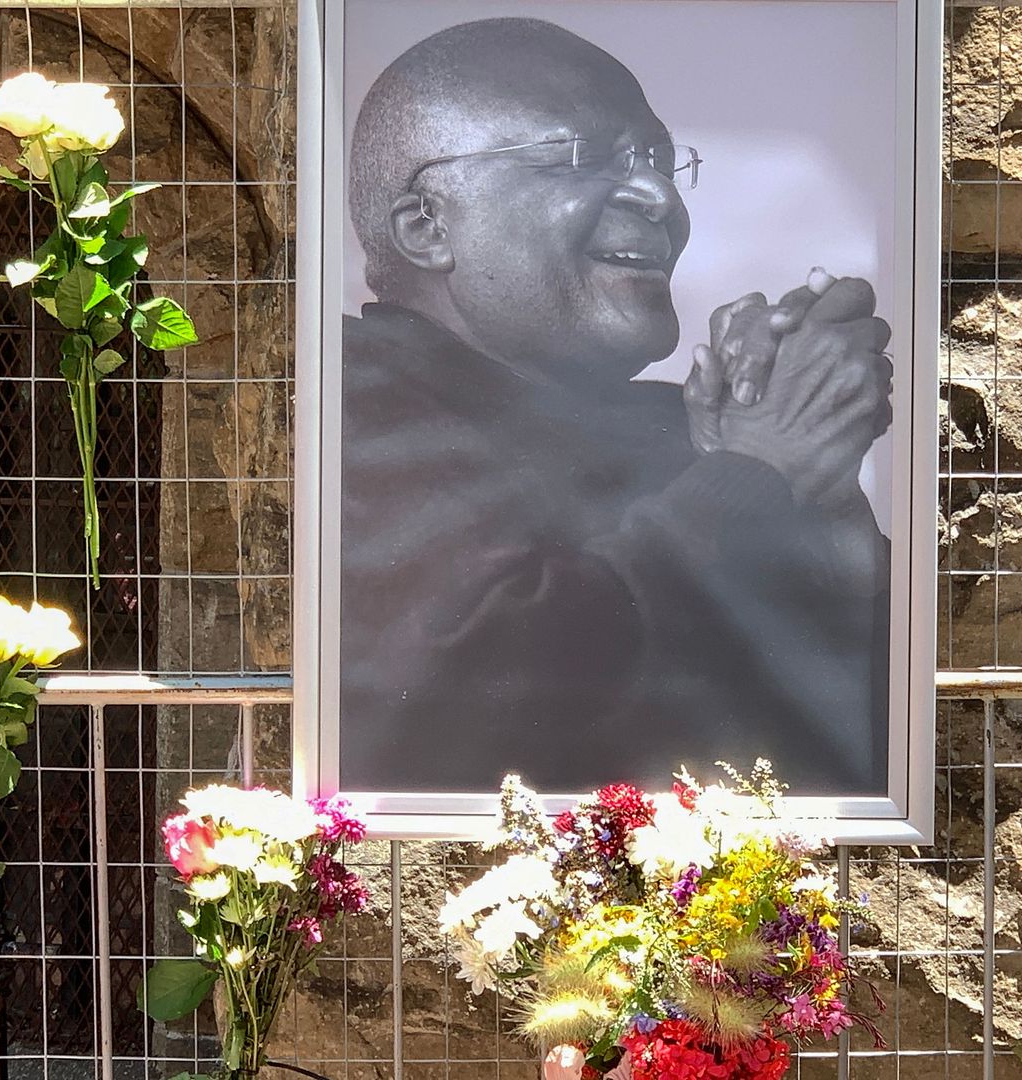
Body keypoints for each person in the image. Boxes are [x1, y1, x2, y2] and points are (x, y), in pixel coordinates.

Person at [342, 16, 894, 793]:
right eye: (583, 158)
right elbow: (465, 698)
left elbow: (859, 752)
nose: (659, 195)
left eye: (663, 163)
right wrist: (754, 474)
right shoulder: (348, 396)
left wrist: (822, 500)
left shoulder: (677, 429)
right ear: (427, 226)